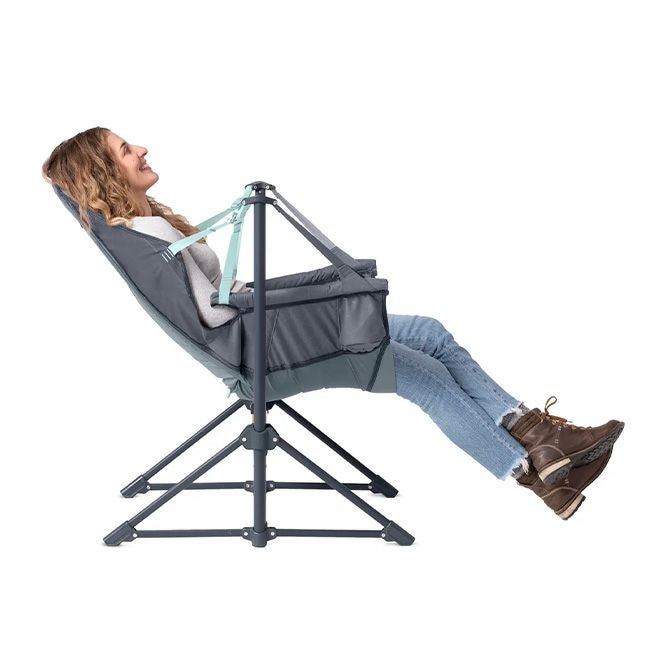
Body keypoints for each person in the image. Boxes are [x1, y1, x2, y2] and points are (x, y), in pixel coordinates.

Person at [42, 126, 625, 520]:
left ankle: (541, 450)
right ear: (104, 173)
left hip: (267, 336)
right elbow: (215, 312)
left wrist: (290, 290)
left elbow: (223, 300)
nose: (141, 149)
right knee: (423, 369)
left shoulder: (141, 228)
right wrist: (300, 297)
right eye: (125, 150)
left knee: (427, 344)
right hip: (265, 350)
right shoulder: (145, 235)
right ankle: (536, 469)